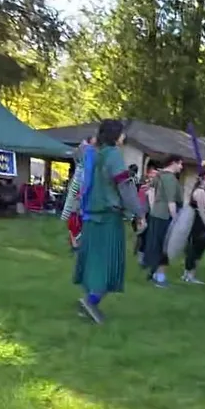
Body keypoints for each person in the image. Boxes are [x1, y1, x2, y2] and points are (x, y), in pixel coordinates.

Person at [73, 120, 145, 324]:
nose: (124, 137)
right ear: (116, 135)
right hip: (108, 217)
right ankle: (90, 302)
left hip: (90, 216)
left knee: (93, 262)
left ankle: (87, 304)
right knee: (109, 264)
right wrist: (138, 213)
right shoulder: (113, 155)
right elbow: (125, 187)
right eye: (122, 133)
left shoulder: (93, 154)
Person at [145, 156, 183, 287]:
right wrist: (176, 219)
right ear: (173, 163)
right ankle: (160, 278)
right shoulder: (170, 179)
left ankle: (153, 274)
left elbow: (150, 192)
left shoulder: (159, 175)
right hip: (165, 216)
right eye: (180, 164)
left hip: (156, 214)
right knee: (165, 246)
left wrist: (153, 207)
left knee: (155, 245)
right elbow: (171, 202)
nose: (181, 167)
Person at [181, 177, 205, 284]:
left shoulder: (202, 191)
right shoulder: (200, 192)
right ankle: (190, 274)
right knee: (197, 248)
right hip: (200, 223)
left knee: (195, 247)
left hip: (200, 221)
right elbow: (201, 211)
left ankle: (188, 273)